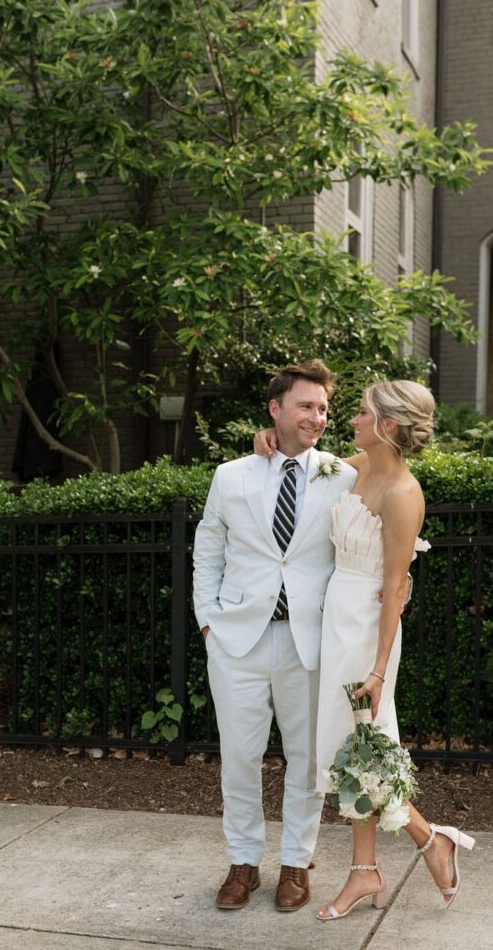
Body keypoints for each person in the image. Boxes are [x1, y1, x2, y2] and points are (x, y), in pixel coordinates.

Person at [255, 379, 475, 920]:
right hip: (338, 617)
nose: (349, 419)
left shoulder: (403, 493)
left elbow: (396, 586)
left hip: (366, 632)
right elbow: (311, 461)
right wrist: (266, 438)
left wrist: (378, 670)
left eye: (361, 413)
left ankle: (421, 843)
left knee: (365, 750)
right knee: (352, 753)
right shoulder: (361, 465)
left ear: (389, 426)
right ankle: (379, 863)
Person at [192, 360, 357, 912]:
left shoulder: (343, 474)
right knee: (239, 755)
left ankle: (295, 863)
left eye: (324, 408)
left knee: (306, 759)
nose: (318, 417)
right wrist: (207, 620)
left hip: (307, 642)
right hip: (236, 640)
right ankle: (243, 863)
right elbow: (208, 547)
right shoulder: (231, 474)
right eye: (307, 406)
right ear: (276, 409)